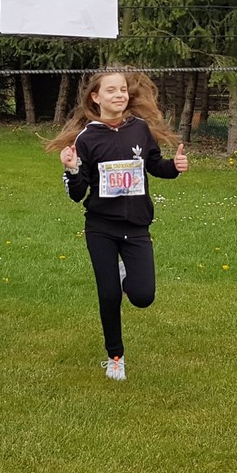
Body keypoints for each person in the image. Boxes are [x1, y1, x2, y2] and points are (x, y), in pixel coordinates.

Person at [46, 69, 188, 381]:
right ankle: (115, 356)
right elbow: (77, 194)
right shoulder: (86, 139)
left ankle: (126, 275)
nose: (119, 95)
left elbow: (155, 165)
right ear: (96, 97)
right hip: (101, 228)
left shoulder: (139, 129)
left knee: (143, 296)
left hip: (137, 226)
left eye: (122, 89)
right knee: (109, 295)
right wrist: (72, 169)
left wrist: (175, 167)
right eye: (111, 90)